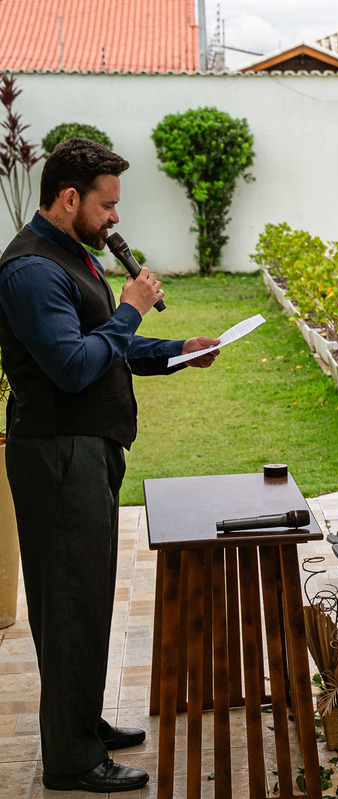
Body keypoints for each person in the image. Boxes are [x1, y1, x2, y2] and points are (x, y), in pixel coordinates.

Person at [0, 139, 220, 792]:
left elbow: (108, 347)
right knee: (70, 602)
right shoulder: (31, 271)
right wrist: (130, 307)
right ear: (70, 198)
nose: (115, 218)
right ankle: (71, 757)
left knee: (88, 598)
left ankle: (82, 722)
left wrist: (178, 349)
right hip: (58, 454)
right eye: (107, 204)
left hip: (87, 451)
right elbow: (72, 368)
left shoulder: (74, 255)